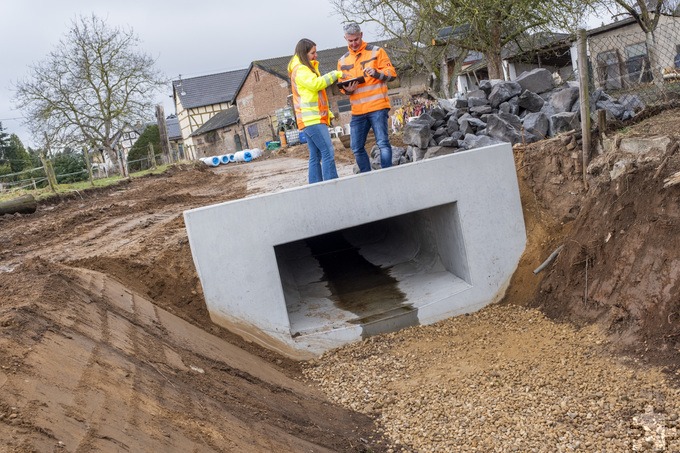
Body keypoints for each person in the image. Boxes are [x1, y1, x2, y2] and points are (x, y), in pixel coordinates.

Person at [337, 22, 397, 172]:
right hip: (358, 111)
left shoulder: (377, 52)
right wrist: (348, 90)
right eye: (350, 41)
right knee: (356, 147)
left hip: (378, 106)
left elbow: (392, 74)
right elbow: (341, 86)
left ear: (361, 35)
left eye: (356, 39)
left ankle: (387, 175)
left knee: (382, 143)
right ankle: (367, 177)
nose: (354, 43)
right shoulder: (342, 61)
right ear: (345, 38)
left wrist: (377, 73)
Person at [288, 38, 343, 183]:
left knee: (316, 155)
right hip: (312, 120)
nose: (316, 55)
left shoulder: (300, 69)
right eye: (313, 53)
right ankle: (331, 185)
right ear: (304, 54)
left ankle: (315, 186)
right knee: (327, 152)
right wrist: (336, 74)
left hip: (309, 120)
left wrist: (328, 113)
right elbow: (316, 85)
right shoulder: (301, 70)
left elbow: (314, 96)